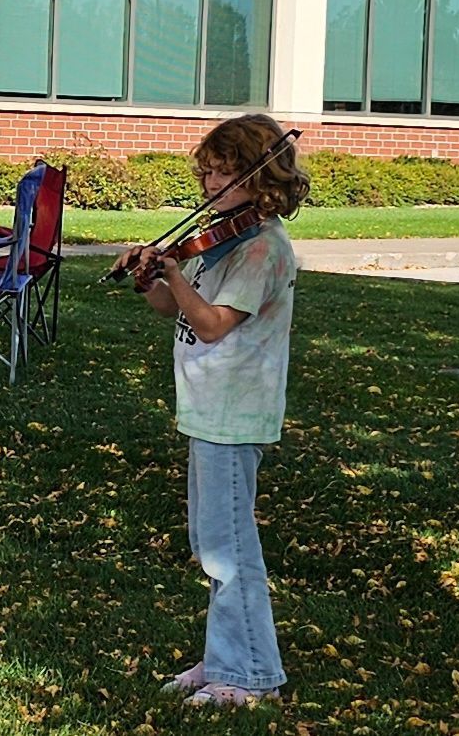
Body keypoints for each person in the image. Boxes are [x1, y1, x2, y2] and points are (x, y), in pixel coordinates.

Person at [110, 113, 309, 709]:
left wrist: (174, 269)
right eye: (207, 172)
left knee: (229, 549)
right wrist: (152, 279)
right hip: (206, 409)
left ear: (263, 177)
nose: (210, 184)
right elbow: (174, 308)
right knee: (211, 542)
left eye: (224, 173)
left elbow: (214, 323)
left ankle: (251, 674)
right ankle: (228, 654)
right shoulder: (223, 234)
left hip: (234, 410)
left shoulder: (262, 249)